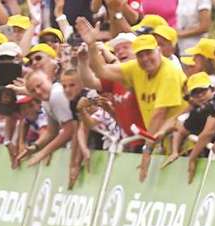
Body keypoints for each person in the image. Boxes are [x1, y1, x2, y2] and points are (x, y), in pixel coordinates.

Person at [76, 17, 188, 181]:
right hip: (159, 142)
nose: (145, 59)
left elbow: (159, 114)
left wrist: (146, 153)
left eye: (149, 53)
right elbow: (101, 72)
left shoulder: (169, 72)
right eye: (140, 55)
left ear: (159, 51)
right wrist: (92, 46)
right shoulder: (135, 68)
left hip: (183, 144)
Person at [157, 72, 215, 183]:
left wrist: (192, 158)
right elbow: (181, 131)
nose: (200, 95)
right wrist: (175, 152)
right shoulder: (199, 109)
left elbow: (208, 133)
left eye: (203, 90)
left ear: (212, 89)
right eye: (195, 93)